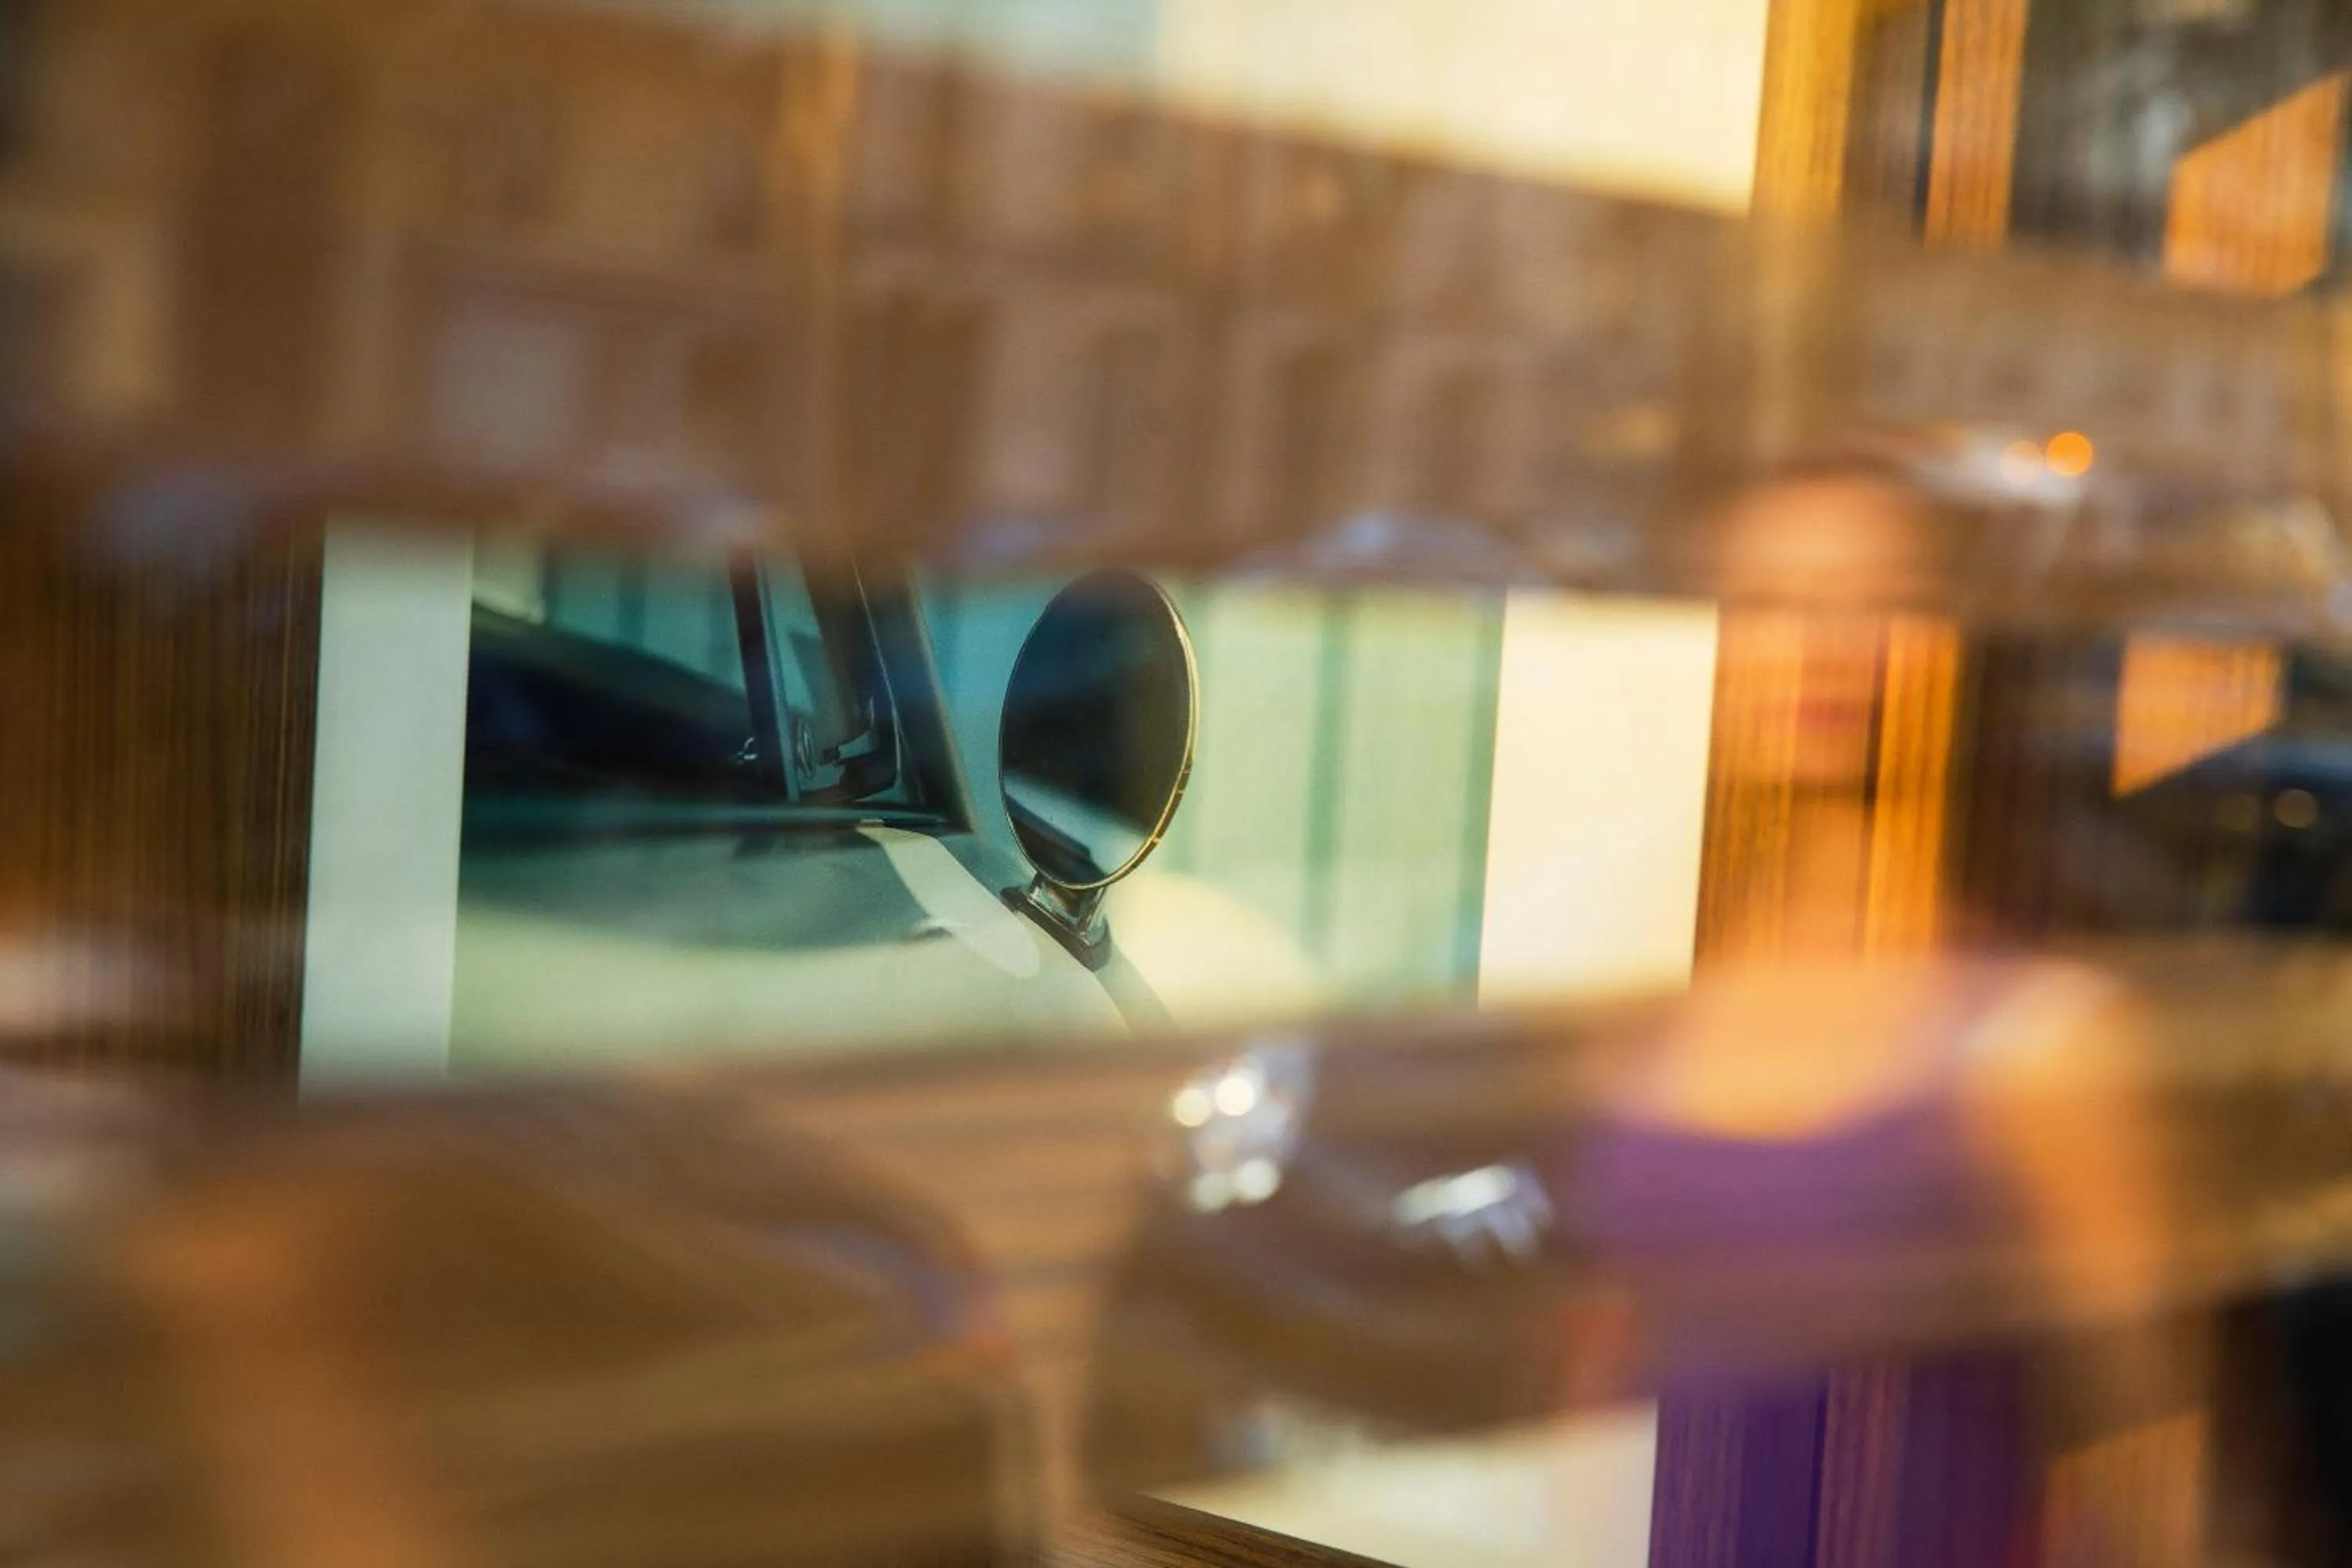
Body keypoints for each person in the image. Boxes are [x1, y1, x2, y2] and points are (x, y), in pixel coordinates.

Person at [1572, 448, 2197, 1568]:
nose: (1822, 647)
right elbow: (1600, 1381)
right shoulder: (1664, 1021)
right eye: (1770, 605)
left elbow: (2147, 1449)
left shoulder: (2040, 1039)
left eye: (1878, 603)